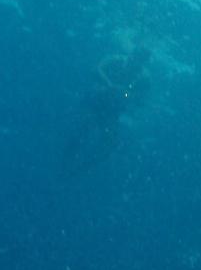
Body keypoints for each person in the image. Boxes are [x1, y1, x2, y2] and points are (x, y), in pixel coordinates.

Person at [62, 46, 151, 175]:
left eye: (140, 61)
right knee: (82, 130)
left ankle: (80, 170)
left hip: (113, 112)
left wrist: (128, 95)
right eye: (135, 58)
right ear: (131, 55)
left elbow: (142, 101)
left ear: (144, 63)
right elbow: (96, 69)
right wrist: (109, 85)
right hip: (96, 102)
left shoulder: (144, 79)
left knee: (109, 145)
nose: (135, 63)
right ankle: (67, 163)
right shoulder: (116, 60)